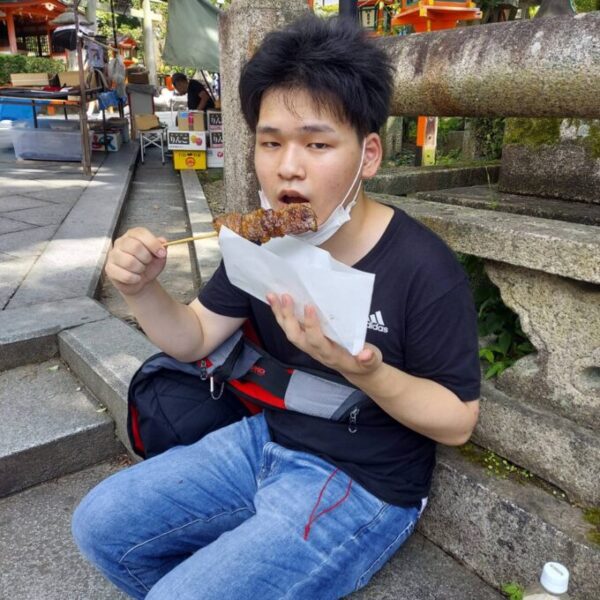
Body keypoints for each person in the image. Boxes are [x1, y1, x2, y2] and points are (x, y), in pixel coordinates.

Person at [72, 15, 480, 600]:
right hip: (266, 438)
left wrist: (363, 371)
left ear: (368, 155)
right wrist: (140, 288)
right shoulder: (264, 242)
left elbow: (458, 420)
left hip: (365, 482)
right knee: (100, 525)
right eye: (270, 142)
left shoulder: (423, 267)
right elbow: (192, 336)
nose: (288, 166)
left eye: (317, 144)